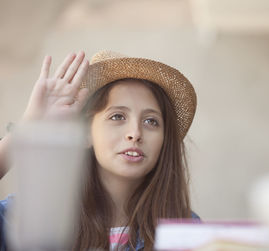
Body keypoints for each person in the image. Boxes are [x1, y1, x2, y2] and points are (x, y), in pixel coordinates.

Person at [0, 50, 199, 251]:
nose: (135, 133)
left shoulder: (187, 232)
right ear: (86, 132)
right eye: (118, 116)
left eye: (151, 121)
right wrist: (28, 126)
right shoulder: (32, 217)